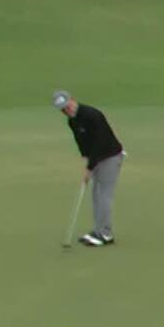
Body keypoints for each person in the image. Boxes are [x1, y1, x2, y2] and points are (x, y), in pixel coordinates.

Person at [53, 89, 125, 247]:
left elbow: (101, 142)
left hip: (110, 156)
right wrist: (87, 162)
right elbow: (83, 143)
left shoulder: (92, 115)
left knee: (103, 195)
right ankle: (98, 230)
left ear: (72, 100)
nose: (67, 110)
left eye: (68, 106)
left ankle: (105, 235)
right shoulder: (72, 121)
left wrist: (90, 167)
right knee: (96, 195)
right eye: (63, 109)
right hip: (97, 158)